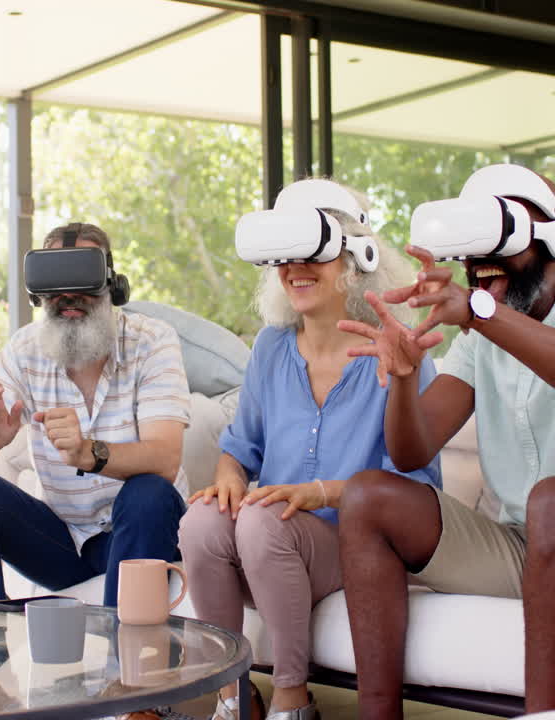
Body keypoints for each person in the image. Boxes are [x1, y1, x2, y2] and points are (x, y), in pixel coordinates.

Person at [337, 164, 555, 718]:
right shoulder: (482, 336)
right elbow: (411, 451)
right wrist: (404, 378)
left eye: (503, 237)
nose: (484, 258)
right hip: (526, 549)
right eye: (476, 241)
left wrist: (481, 313)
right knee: (367, 496)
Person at [178, 179, 442, 720]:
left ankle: (293, 699)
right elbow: (239, 449)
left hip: (357, 549)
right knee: (201, 520)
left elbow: (416, 489)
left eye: (312, 252)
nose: (295, 269)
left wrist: (318, 492)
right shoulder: (271, 348)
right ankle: (234, 698)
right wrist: (228, 480)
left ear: (357, 258)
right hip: (269, 547)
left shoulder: (397, 354)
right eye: (285, 256)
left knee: (262, 521)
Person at [0, 222, 190, 608]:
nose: (68, 295)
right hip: (62, 543)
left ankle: (121, 643)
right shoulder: (24, 350)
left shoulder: (152, 342)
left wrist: (89, 453)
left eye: (82, 279)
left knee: (149, 493)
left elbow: (165, 459)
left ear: (112, 285)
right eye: (54, 282)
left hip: (142, 531)